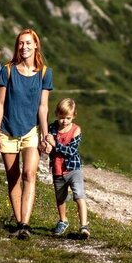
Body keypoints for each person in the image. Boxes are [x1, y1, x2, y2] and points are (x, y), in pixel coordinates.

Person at [0, 28, 53, 239]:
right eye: (21, 43)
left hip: (31, 132)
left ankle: (25, 225)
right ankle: (19, 223)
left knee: (29, 174)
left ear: (36, 45)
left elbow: (43, 108)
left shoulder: (45, 73)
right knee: (13, 178)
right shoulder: (7, 71)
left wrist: (45, 135)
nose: (24, 47)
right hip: (8, 131)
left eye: (28, 43)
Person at [43, 97, 89, 239]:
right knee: (60, 198)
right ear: (57, 114)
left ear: (73, 116)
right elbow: (46, 141)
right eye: (62, 117)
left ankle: (84, 226)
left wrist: (55, 144)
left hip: (73, 169)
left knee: (79, 195)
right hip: (57, 169)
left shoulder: (76, 130)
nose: (64, 121)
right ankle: (63, 220)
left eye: (68, 118)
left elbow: (71, 151)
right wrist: (46, 146)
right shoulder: (52, 127)